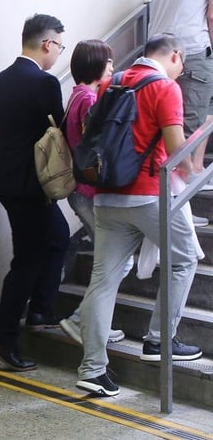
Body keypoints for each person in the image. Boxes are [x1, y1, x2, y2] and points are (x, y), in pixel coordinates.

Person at [75, 34, 203, 398]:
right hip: (148, 194)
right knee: (184, 260)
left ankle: (93, 369)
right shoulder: (165, 88)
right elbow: (177, 150)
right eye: (182, 64)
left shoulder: (111, 83)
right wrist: (198, 155)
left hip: (106, 196)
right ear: (174, 56)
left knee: (103, 281)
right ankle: (160, 340)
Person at [0, 13, 71, 372]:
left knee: (58, 236)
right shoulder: (44, 82)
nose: (58, 54)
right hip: (31, 183)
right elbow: (63, 128)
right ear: (47, 43)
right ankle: (4, 335)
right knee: (29, 258)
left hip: (7, 180)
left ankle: (40, 309)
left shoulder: (2, 79)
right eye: (60, 47)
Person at [57, 41, 127, 345]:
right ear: (96, 65)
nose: (112, 67)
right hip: (88, 192)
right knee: (116, 263)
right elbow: (95, 145)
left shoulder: (76, 96)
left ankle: (92, 322)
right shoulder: (88, 99)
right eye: (108, 62)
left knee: (110, 262)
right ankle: (81, 320)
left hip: (80, 192)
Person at [148, 0, 213, 205]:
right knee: (191, 127)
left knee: (168, 125)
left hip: (158, 50)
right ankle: (180, 202)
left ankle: (191, 178)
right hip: (191, 51)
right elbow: (212, 15)